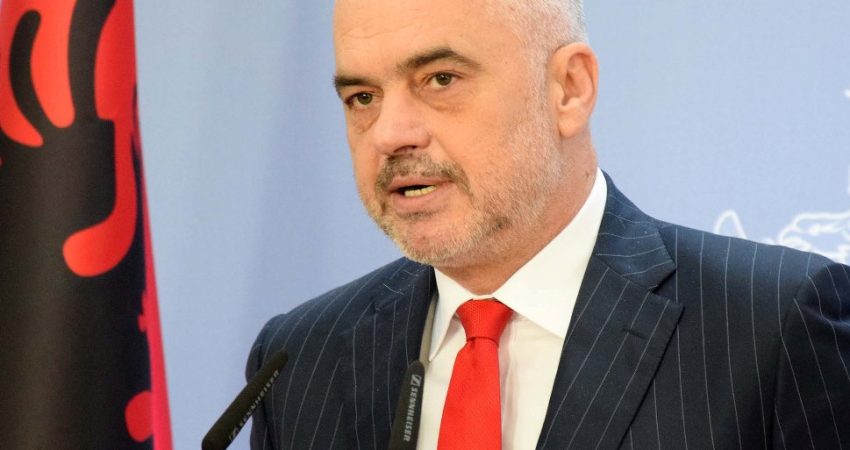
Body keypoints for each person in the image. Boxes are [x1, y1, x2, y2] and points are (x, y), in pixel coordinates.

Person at [246, 0, 850, 448]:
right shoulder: (300, 358)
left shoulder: (772, 324)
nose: (390, 133)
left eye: (441, 79)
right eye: (362, 97)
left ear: (569, 88)